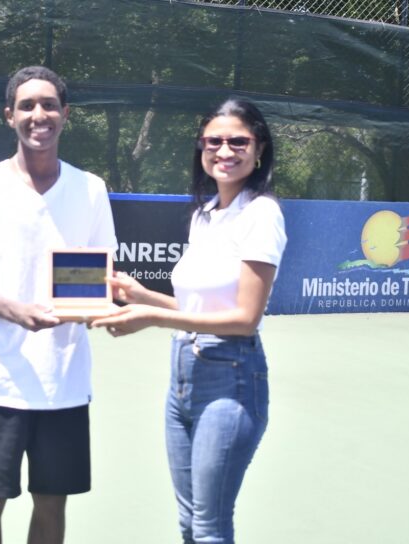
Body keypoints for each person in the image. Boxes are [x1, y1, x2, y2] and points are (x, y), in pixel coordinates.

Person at [92, 98, 287, 544]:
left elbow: (244, 319)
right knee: (189, 523)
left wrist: (151, 316)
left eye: (238, 142)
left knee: (209, 527)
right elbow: (198, 307)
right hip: (182, 378)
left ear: (259, 149)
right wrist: (142, 295)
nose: (224, 151)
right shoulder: (205, 215)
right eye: (213, 142)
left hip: (231, 378)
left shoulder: (262, 214)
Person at [0, 65, 117, 544]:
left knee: (52, 504)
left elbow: (99, 278)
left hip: (64, 383)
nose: (39, 115)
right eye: (27, 105)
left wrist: (102, 307)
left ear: (65, 114)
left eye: (49, 105)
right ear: (9, 115)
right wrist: (16, 311)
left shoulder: (91, 189)